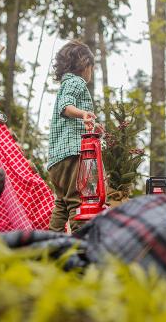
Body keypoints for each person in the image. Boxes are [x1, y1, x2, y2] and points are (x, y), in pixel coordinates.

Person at [47, 40, 96, 233]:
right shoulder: (77, 82)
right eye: (92, 68)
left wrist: (92, 125)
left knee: (62, 203)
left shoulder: (65, 85)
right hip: (73, 155)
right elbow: (66, 107)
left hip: (56, 161)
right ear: (85, 65)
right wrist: (83, 114)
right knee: (78, 199)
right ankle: (80, 240)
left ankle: (52, 242)